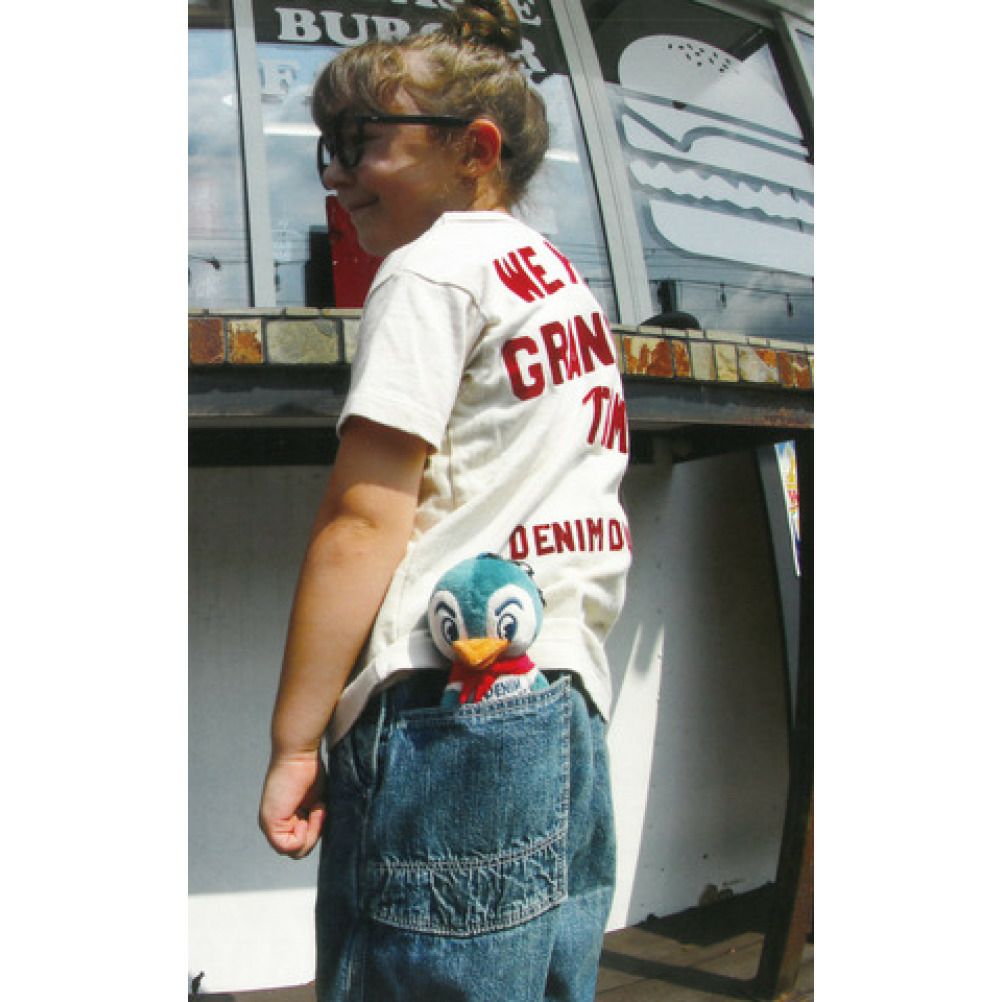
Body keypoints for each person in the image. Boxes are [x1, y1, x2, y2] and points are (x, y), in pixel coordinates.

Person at [258, 2, 631, 998]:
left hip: (447, 710)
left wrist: (294, 742)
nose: (335, 172)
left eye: (360, 140)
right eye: (328, 147)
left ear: (475, 148)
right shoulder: (561, 284)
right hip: (565, 706)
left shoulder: (429, 271)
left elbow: (365, 520)